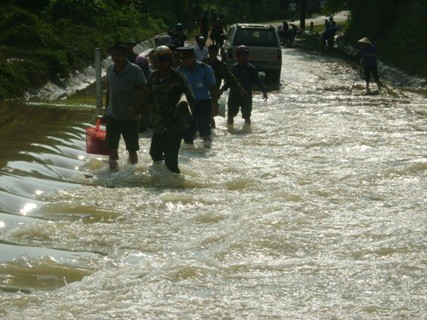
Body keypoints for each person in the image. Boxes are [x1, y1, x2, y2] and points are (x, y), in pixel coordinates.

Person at [131, 46, 195, 173]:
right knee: (154, 153)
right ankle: (160, 177)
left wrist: (184, 110)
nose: (160, 64)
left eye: (163, 60)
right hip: (159, 122)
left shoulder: (178, 77)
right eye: (158, 61)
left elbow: (190, 98)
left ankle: (175, 184)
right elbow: (146, 98)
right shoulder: (153, 77)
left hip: (175, 124)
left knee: (171, 160)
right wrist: (136, 109)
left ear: (169, 61)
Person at [102, 42, 147, 171]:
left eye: (119, 55)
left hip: (130, 118)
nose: (116, 57)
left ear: (125, 55)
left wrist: (136, 106)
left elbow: (144, 90)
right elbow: (109, 91)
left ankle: (131, 173)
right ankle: (113, 172)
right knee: (111, 147)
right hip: (113, 116)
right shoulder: (110, 69)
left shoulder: (135, 70)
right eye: (113, 55)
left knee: (132, 149)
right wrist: (106, 112)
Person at [177, 45, 219, 148]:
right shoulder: (180, 70)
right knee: (187, 134)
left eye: (187, 58)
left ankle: (207, 152)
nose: (185, 61)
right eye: (183, 59)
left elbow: (213, 88)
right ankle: (189, 151)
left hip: (203, 103)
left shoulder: (205, 69)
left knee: (204, 130)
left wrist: (215, 104)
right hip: (187, 105)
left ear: (193, 57)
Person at [221, 45, 268, 126]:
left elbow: (258, 80)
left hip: (246, 96)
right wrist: (221, 91)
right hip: (234, 96)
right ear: (238, 56)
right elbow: (228, 82)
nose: (244, 56)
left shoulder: (251, 68)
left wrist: (264, 91)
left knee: (247, 117)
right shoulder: (233, 68)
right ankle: (230, 131)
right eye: (242, 54)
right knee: (230, 116)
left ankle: (247, 133)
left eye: (246, 54)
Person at [204, 44, 246, 128]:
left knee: (212, 114)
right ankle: (209, 132)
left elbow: (230, 77)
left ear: (217, 53)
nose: (211, 54)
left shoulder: (221, 65)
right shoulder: (204, 63)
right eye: (210, 52)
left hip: (214, 91)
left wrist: (239, 88)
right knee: (208, 114)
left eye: (213, 52)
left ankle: (211, 132)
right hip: (203, 91)